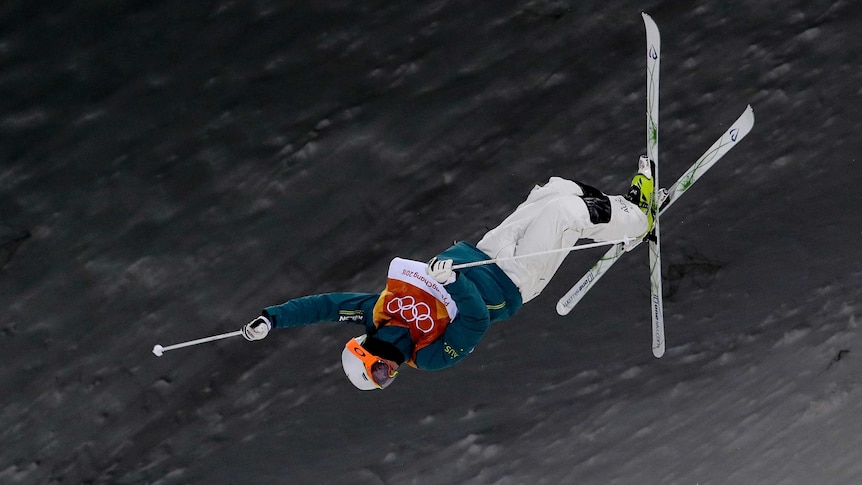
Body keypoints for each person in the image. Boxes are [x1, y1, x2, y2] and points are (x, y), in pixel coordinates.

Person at [241, 157, 656, 390]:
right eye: (384, 379)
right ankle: (640, 220)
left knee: (554, 191)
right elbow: (474, 323)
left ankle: (623, 211)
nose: (391, 373)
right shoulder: (430, 357)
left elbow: (325, 307)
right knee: (564, 215)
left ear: (367, 350)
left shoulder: (377, 313)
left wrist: (271, 319)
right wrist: (452, 284)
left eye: (380, 372)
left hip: (481, 252)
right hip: (514, 282)